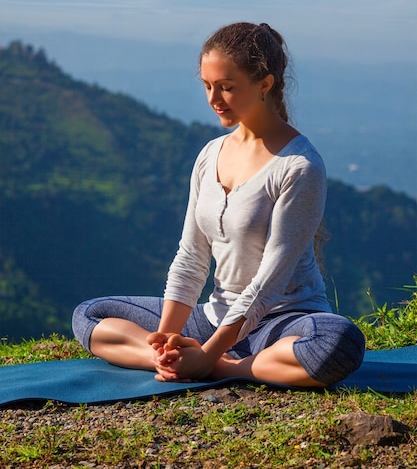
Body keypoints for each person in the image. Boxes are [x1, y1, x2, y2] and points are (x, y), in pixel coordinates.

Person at [72, 22, 365, 387]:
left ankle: (225, 367)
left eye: (226, 88)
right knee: (90, 315)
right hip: (214, 316)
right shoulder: (210, 154)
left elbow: (267, 286)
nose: (214, 99)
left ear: (265, 85)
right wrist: (166, 341)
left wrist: (210, 356)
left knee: (339, 343)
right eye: (208, 86)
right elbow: (191, 258)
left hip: (279, 322)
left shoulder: (299, 166)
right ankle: (170, 361)